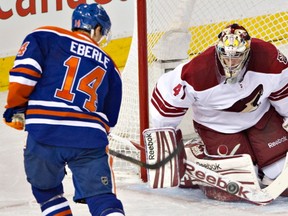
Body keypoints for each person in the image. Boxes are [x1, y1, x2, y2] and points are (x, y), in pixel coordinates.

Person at [3, 3, 125, 216]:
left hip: (45, 133)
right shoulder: (111, 65)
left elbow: (24, 76)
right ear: (96, 29)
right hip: (89, 137)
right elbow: (110, 118)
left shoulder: (45, 35)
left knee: (46, 191)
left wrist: (15, 108)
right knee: (102, 197)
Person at [150, 23, 288, 200]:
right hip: (217, 126)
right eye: (226, 56)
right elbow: (167, 95)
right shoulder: (198, 71)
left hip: (260, 117)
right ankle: (196, 154)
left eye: (237, 56)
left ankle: (262, 162)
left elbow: (283, 89)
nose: (231, 62)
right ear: (218, 50)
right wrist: (163, 135)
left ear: (247, 52)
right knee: (235, 188)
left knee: (280, 172)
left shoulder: (268, 58)